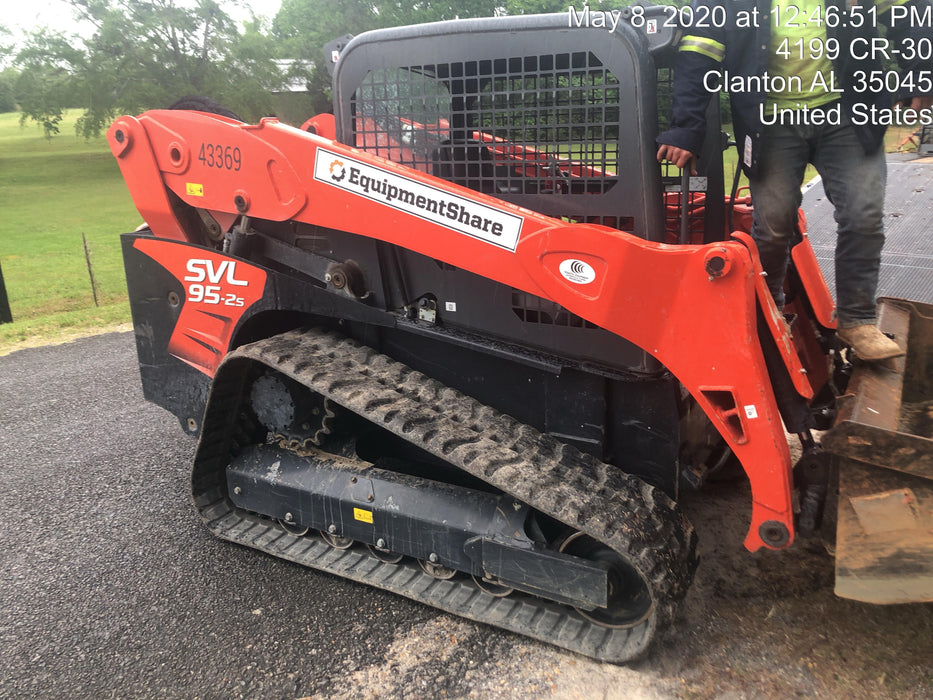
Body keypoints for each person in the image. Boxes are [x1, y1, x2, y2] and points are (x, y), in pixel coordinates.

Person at [657, 0, 933, 361]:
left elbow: (908, 14)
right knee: (772, 226)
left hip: (847, 110)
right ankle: (770, 318)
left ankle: (857, 320)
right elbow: (698, 51)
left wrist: (920, 75)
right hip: (769, 120)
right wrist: (685, 127)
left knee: (864, 214)